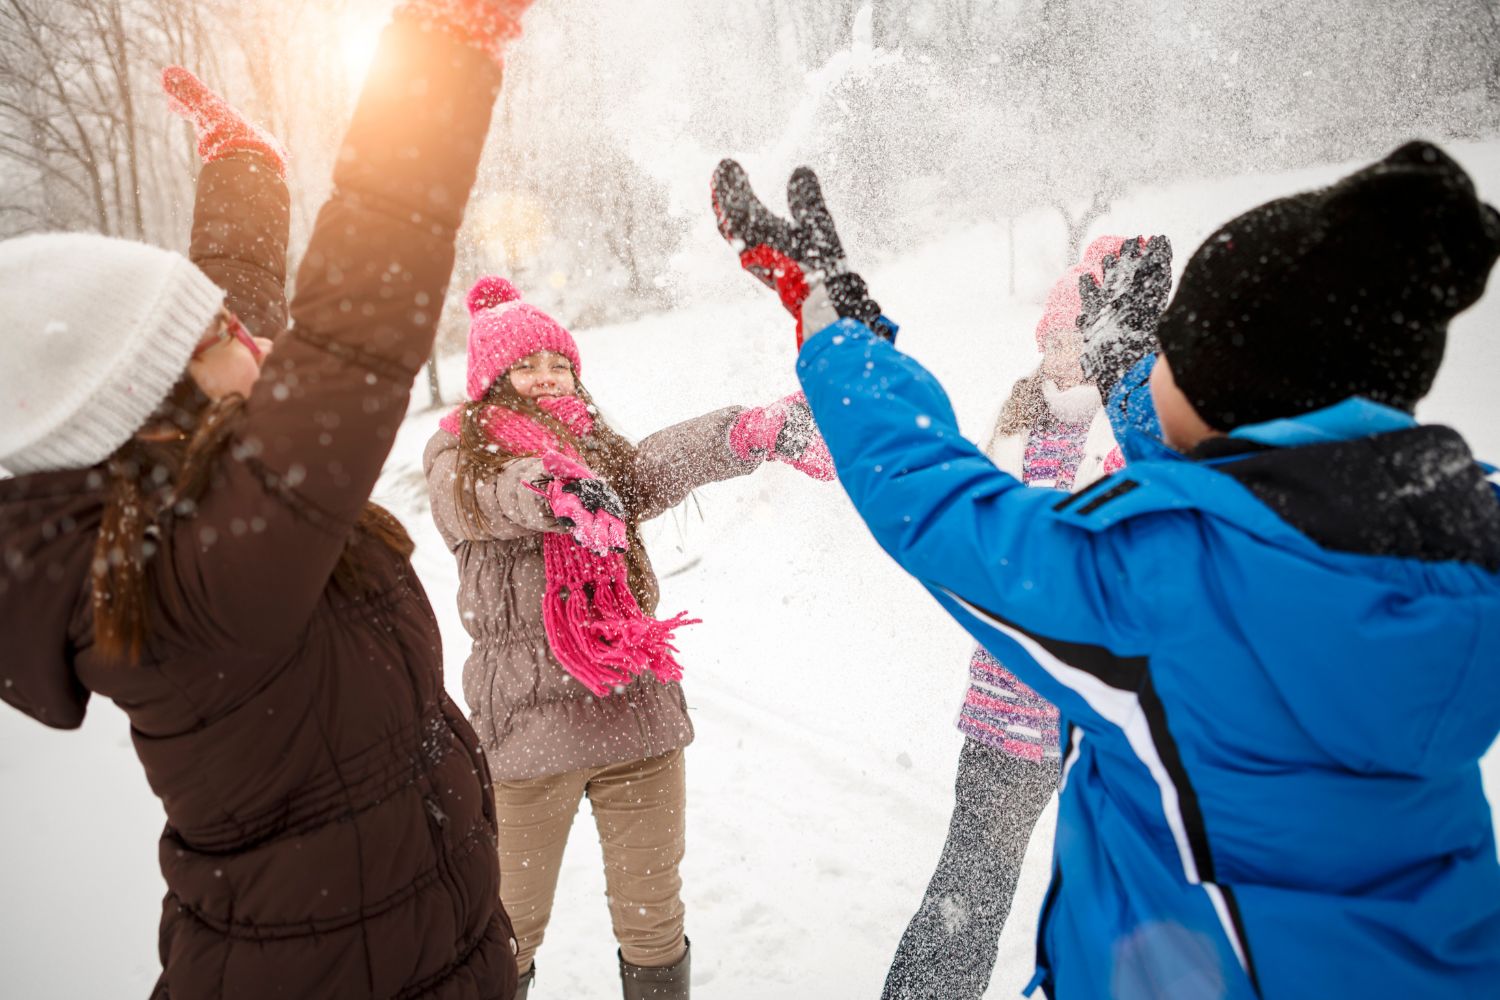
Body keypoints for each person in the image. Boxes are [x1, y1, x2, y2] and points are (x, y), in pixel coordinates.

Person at [710, 144, 1500, 999]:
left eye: (1170, 354)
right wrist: (1132, 369)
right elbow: (1247, 470)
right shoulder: (1467, 541)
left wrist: (836, 323)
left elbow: (936, 501)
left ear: (1221, 393)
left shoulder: (1161, 581)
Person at [0, 2, 535, 995]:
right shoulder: (207, 581)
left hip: (392, 946)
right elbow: (353, 330)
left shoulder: (178, 508)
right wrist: (445, 45)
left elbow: (221, 321)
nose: (258, 342)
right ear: (153, 414)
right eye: (219, 342)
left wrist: (243, 171)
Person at [423, 277, 836, 999]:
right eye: (528, 365)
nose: (548, 376)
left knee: (653, 925)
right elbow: (486, 501)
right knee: (503, 931)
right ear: (492, 381)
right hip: (528, 732)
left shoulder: (599, 452)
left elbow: (651, 467)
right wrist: (552, 489)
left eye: (560, 363)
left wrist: (743, 434)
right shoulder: (462, 456)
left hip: (632, 713)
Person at [881, 239, 1138, 1000]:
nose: (1058, 355)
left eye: (1071, 338)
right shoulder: (1020, 432)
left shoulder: (1134, 434)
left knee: (1119, 898)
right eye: (1049, 341)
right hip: (1009, 712)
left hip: (1107, 717)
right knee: (968, 893)